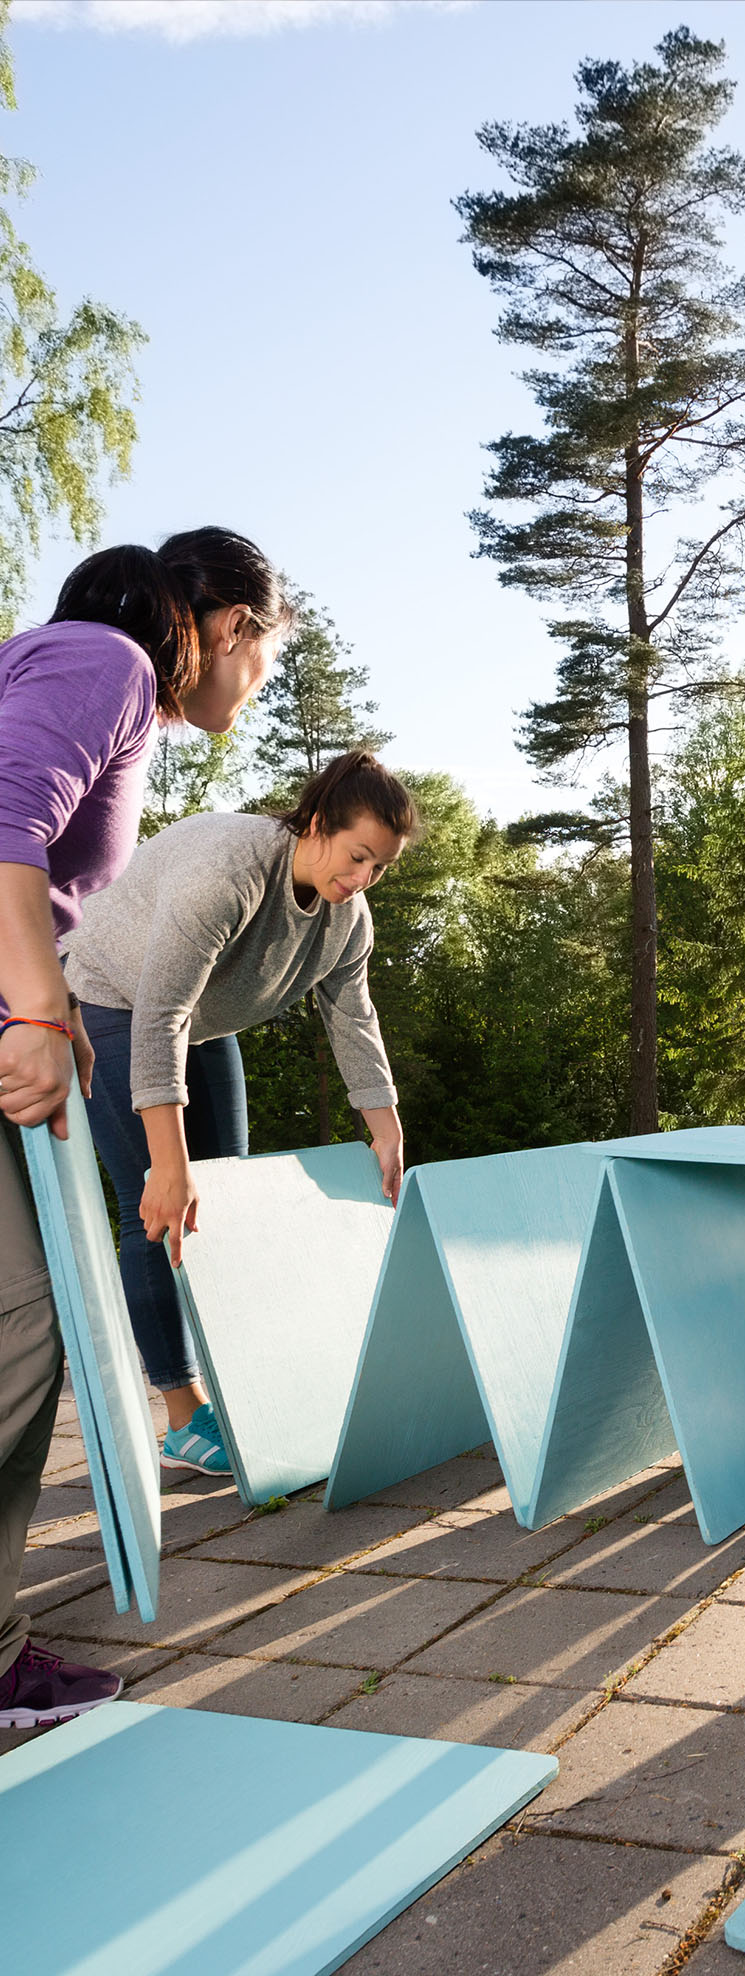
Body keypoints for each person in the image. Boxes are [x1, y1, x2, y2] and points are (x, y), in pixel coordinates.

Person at [1, 529, 287, 1731]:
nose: (262, 676)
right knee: (19, 1340)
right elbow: (4, 822)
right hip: (13, 1028)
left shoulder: (66, 659)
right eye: (268, 648)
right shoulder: (106, 662)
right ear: (227, 627)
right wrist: (32, 1007)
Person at [62, 750, 414, 1480]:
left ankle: (237, 1387)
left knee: (228, 1204)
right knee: (156, 1204)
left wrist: (386, 1130)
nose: (362, 879)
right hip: (115, 1002)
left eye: (379, 867)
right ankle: (183, 1415)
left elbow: (354, 1018)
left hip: (203, 1026)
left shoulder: (348, 918)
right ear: (316, 824)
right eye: (357, 857)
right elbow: (159, 1016)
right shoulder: (227, 874)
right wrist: (171, 1162)